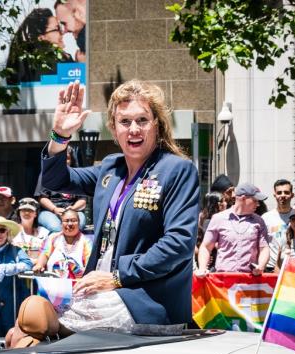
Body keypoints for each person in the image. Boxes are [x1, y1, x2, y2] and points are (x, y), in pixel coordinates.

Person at [34, 79, 198, 335]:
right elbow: (55, 180)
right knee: (23, 327)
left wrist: (117, 276)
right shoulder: (111, 168)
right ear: (113, 127)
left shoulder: (177, 169)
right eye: (125, 122)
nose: (134, 129)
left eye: (142, 120)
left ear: (157, 124)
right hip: (95, 291)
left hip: (143, 301)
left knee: (36, 322)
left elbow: (179, 243)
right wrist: (60, 134)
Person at [197, 182, 269, 276]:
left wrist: (261, 266)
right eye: (255, 200)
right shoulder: (218, 218)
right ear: (243, 198)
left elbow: (264, 248)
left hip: (249, 280)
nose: (258, 204)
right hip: (223, 280)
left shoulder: (259, 221)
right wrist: (202, 268)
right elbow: (206, 247)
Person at [6, 8, 73, 84]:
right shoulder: (50, 62)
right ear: (41, 37)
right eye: (57, 28)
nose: (62, 32)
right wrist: (71, 61)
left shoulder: (28, 61)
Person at [36, 146, 87, 232]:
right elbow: (42, 198)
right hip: (50, 211)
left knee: (80, 224)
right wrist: (54, 209)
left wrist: (73, 209)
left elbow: (83, 200)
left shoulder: (78, 175)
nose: (63, 161)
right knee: (56, 227)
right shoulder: (46, 174)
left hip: (73, 210)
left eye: (67, 158)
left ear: (71, 160)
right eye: (60, 158)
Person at [33, 209, 91, 279]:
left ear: (79, 223)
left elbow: (89, 266)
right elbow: (44, 254)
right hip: (52, 287)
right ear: (61, 224)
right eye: (66, 221)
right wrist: (39, 265)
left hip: (76, 287)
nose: (70, 224)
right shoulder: (53, 238)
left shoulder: (86, 241)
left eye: (73, 220)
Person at [262, 179, 294, 270]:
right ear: (275, 195)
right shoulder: (266, 218)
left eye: (286, 192)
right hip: (270, 267)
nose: (283, 195)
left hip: (292, 267)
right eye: (279, 193)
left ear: (292, 195)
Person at [12, 197, 49, 263]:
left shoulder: (43, 232)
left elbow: (47, 252)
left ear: (35, 214)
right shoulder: (12, 231)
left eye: (30, 210)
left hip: (38, 270)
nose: (26, 213)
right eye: (24, 210)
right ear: (19, 213)